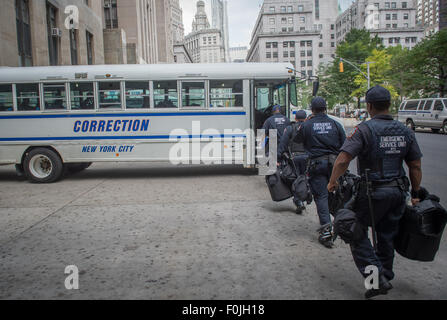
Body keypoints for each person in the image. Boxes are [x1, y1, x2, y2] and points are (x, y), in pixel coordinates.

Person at [327, 85, 423, 299]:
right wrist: (415, 193)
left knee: (351, 229)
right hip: (398, 192)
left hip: (372, 194)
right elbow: (415, 166)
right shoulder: (405, 130)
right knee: (386, 235)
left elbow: (343, 160)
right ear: (389, 104)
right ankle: (385, 275)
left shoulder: (364, 130)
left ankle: (376, 279)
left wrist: (332, 182)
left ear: (369, 106)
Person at [293, 97, 346, 248]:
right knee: (339, 194)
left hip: (317, 164)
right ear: (325, 108)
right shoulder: (336, 124)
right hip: (335, 165)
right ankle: (344, 224)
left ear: (312, 109)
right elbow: (345, 144)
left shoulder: (307, 125)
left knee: (321, 196)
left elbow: (297, 140)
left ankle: (326, 231)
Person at [278, 110, 309, 214]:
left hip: (294, 158)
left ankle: (298, 201)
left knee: (296, 180)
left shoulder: (290, 128)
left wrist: (278, 158)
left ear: (295, 119)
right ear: (305, 118)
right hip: (307, 157)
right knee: (305, 178)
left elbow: (282, 144)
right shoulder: (309, 128)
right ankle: (306, 196)